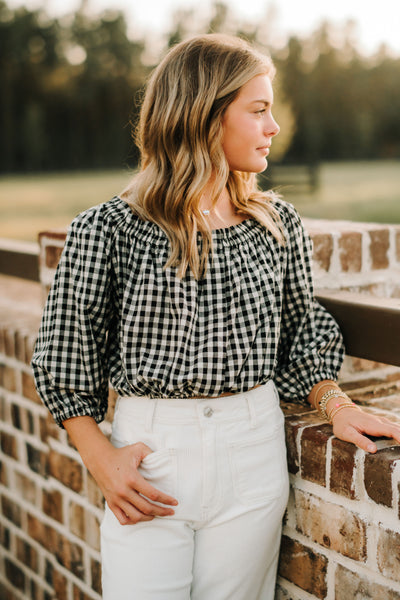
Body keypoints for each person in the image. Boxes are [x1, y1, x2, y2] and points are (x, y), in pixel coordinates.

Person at [31, 34, 400, 600]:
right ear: (202, 118)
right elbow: (63, 358)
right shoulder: (105, 229)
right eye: (258, 110)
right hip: (151, 461)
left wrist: (338, 405)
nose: (274, 126)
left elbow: (300, 332)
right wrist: (99, 457)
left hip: (253, 451)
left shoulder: (275, 224)